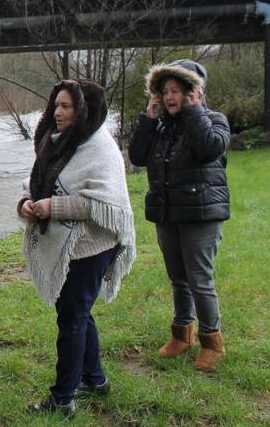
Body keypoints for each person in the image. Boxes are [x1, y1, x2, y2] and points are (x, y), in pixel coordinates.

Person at [18, 79, 136, 417]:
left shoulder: (99, 146)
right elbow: (35, 183)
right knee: (77, 313)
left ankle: (63, 400)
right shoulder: (54, 143)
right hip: (71, 245)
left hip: (94, 245)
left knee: (72, 318)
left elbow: (103, 204)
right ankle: (95, 380)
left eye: (66, 106)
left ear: (83, 109)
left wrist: (51, 207)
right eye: (56, 104)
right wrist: (26, 203)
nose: (57, 111)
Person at [128, 60, 230, 373]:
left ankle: (212, 342)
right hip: (167, 213)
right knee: (178, 279)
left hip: (201, 216)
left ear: (193, 92)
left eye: (177, 91)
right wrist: (148, 119)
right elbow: (137, 156)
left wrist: (195, 111)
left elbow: (209, 149)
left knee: (200, 280)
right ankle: (181, 335)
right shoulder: (160, 127)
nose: (170, 97)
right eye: (165, 91)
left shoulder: (214, 120)